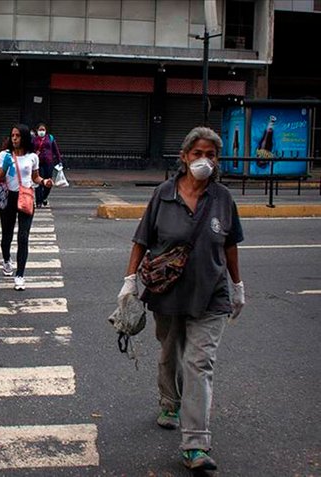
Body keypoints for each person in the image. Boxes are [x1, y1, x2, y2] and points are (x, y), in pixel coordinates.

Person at [119, 126, 245, 471]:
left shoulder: (222, 198)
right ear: (184, 157)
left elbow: (230, 244)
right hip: (167, 293)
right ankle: (169, 400)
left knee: (199, 364)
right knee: (170, 353)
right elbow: (142, 240)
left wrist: (237, 285)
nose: (205, 160)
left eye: (211, 155)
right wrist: (129, 282)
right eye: (198, 153)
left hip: (212, 295)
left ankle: (195, 444)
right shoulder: (163, 194)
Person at [0, 123, 53, 290]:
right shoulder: (5, 155)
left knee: (23, 237)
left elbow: (35, 177)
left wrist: (44, 182)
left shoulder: (32, 157)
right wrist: (4, 167)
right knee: (7, 234)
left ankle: (20, 275)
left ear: (24, 138)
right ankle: (6, 260)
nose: (14, 138)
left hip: (25, 196)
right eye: (12, 136)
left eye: (18, 136)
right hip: (8, 198)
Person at [32, 122, 62, 208]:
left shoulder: (50, 138)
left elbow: (56, 150)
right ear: (37, 131)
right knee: (39, 181)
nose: (41, 131)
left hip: (49, 162)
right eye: (40, 130)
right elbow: (30, 150)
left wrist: (59, 160)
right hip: (38, 163)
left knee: (48, 182)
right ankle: (39, 201)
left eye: (43, 130)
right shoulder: (34, 140)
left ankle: (44, 197)